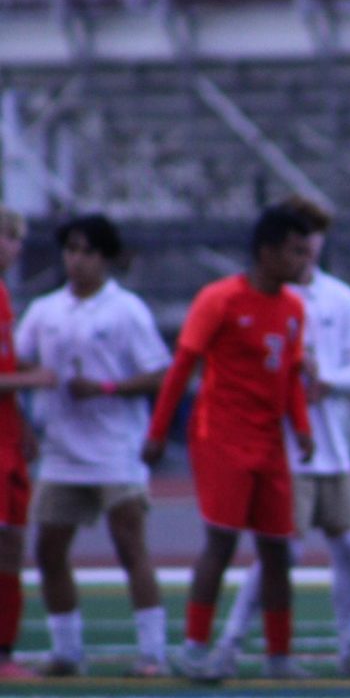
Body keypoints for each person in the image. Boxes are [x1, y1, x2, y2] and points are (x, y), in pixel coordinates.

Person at [142, 204, 315, 683]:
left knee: (279, 550)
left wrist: (301, 427)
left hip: (269, 443)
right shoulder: (218, 299)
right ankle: (195, 648)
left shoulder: (294, 309)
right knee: (220, 541)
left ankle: (279, 656)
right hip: (221, 437)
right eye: (296, 250)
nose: (306, 259)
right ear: (268, 252)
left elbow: (290, 376)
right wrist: (157, 431)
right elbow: (182, 368)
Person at [212, 196, 350, 678]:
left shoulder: (340, 298)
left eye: (314, 236)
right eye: (297, 238)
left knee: (347, 544)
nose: (307, 248)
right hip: (285, 446)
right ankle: (231, 643)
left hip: (331, 447)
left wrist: (326, 379)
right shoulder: (266, 298)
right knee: (282, 550)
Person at [15, 215, 172, 677]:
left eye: (86, 252)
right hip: (62, 451)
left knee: (129, 546)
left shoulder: (126, 310)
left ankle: (152, 652)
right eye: (70, 251)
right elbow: (22, 361)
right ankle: (67, 650)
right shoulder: (46, 310)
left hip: (114, 449)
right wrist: (27, 409)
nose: (76, 261)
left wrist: (107, 388)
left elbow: (159, 373)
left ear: (104, 258)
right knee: (48, 549)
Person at [0, 208, 55, 680]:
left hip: (8, 443)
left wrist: (22, 426)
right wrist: (36, 379)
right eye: (12, 239)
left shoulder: (3, 296)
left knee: (13, 545)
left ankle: (5, 650)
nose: (17, 249)